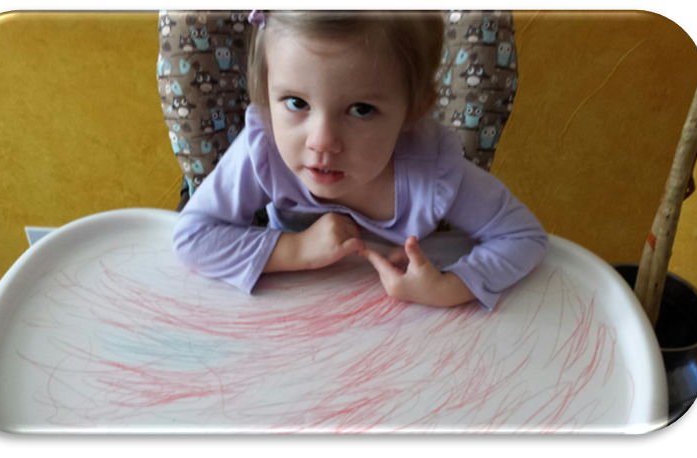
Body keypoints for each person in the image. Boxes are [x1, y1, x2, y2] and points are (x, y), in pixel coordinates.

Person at [173, 9, 549, 310]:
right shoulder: (266, 149)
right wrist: (296, 249)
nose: (322, 142)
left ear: (415, 108)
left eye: (361, 109)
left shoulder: (431, 174)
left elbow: (522, 236)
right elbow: (193, 237)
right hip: (290, 328)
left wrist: (449, 287)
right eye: (296, 103)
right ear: (265, 92)